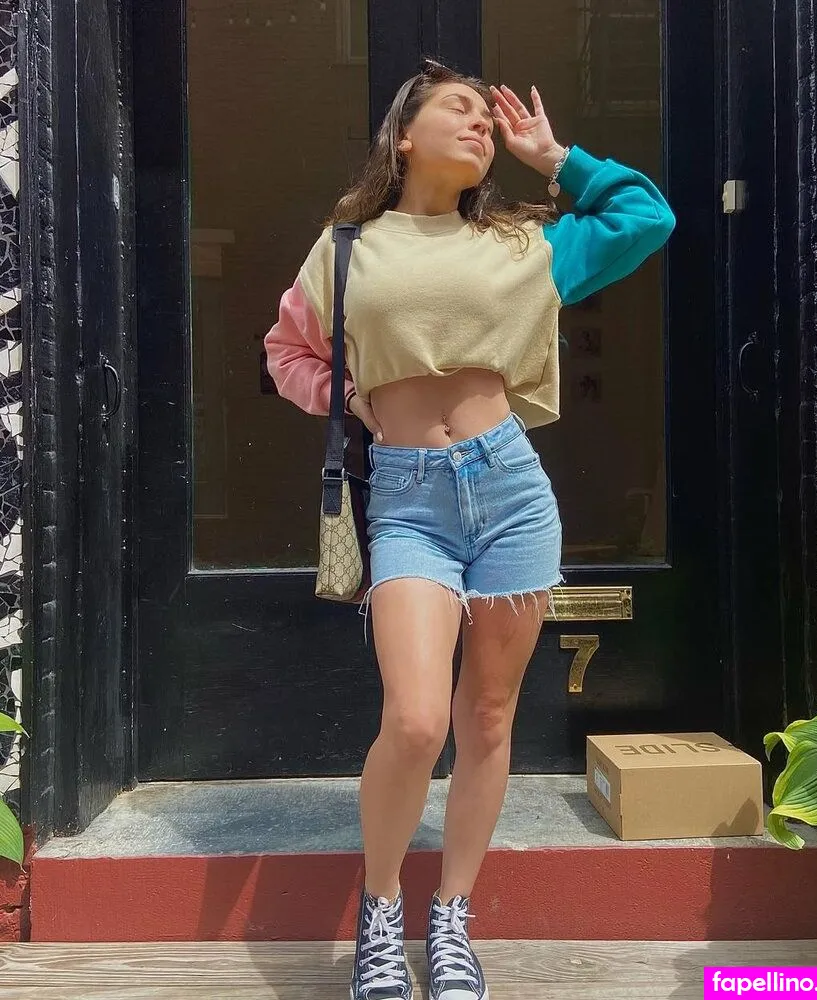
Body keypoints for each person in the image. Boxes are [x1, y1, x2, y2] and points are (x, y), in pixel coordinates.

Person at [264, 59, 674, 1000]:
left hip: (510, 493)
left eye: (487, 118)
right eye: (458, 108)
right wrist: (348, 400)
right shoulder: (347, 248)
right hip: (407, 498)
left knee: (486, 717)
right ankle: (379, 911)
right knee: (414, 720)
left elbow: (644, 217)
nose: (479, 123)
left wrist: (556, 158)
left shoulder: (525, 244)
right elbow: (285, 350)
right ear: (403, 136)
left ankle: (450, 915)